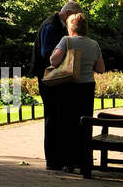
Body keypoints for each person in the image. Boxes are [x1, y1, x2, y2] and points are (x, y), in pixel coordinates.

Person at [43, 12, 105, 172]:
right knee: (84, 124)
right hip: (87, 87)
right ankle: (83, 160)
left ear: (71, 27)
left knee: (67, 124)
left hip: (69, 87)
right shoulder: (94, 44)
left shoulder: (66, 41)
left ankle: (68, 162)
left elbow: (53, 60)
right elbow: (100, 68)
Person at [34, 0, 82, 170]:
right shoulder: (51, 26)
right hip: (49, 79)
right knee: (52, 118)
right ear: (67, 13)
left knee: (58, 118)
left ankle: (59, 159)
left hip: (55, 79)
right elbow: (46, 53)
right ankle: (53, 160)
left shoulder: (56, 25)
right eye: (75, 16)